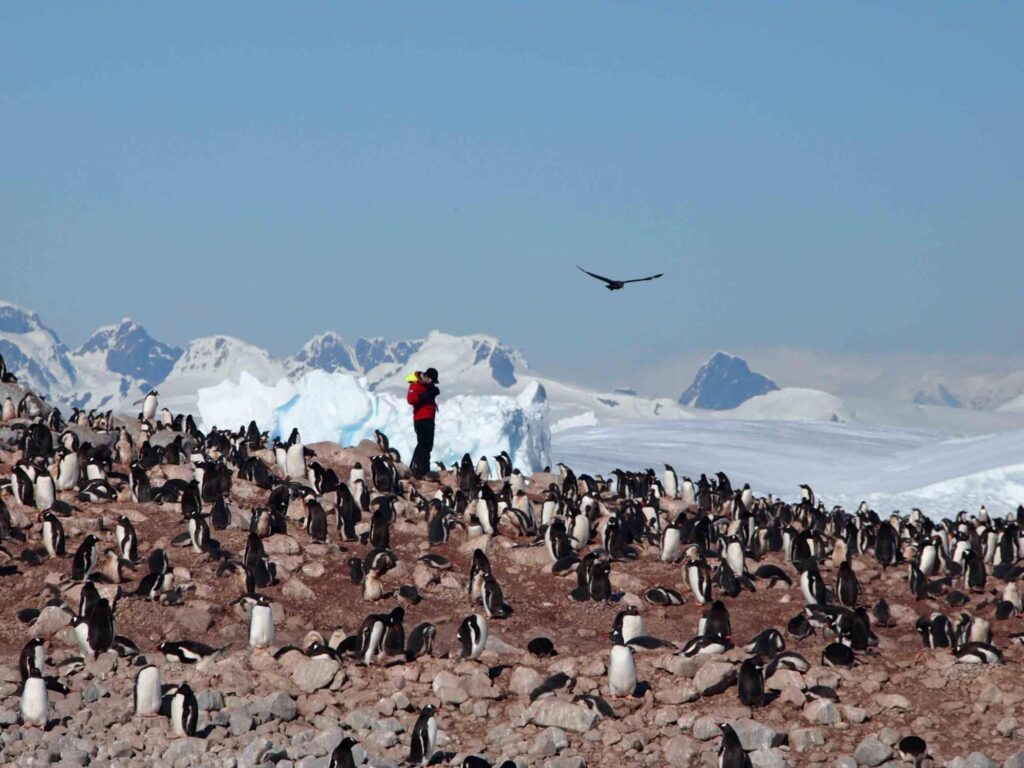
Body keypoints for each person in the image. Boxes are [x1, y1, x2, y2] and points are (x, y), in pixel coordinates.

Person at [406, 367, 440, 479]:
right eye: (431, 380)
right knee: (423, 444)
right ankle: (422, 470)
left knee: (426, 445)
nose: (432, 383)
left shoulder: (426, 386)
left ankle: (418, 468)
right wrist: (424, 395)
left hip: (429, 419)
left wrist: (432, 391)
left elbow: (431, 393)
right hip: (422, 419)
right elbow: (411, 399)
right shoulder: (416, 384)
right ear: (426, 376)